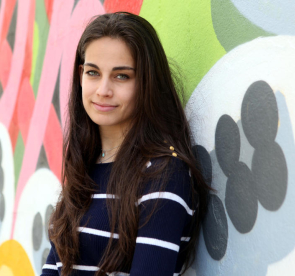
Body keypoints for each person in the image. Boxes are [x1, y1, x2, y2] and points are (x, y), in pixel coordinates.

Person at [41, 12, 210, 276]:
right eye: (93, 72)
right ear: (80, 74)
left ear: (146, 83)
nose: (103, 90)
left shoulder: (164, 174)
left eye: (121, 76)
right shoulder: (85, 167)